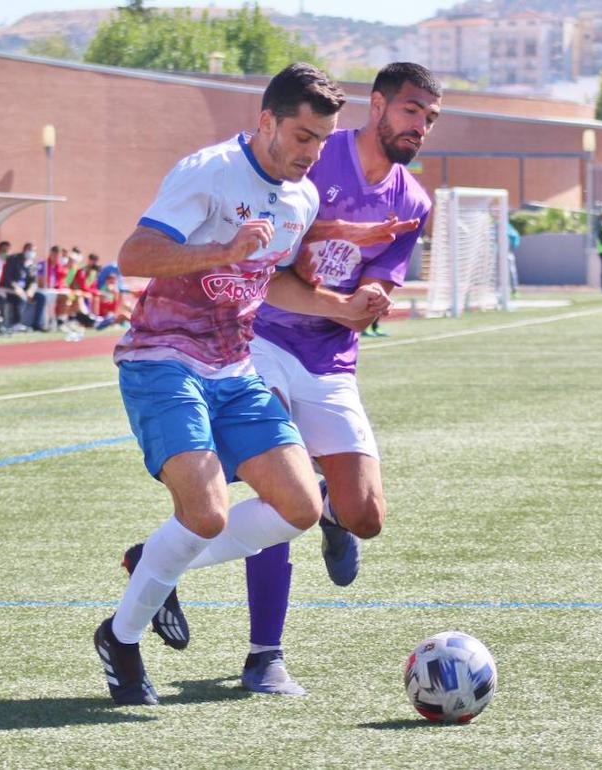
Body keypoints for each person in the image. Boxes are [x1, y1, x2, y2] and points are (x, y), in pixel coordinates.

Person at [124, 62, 441, 695]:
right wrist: (241, 255)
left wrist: (364, 299)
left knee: (361, 514)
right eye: (412, 110)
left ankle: (164, 559)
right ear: (379, 106)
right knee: (259, 497)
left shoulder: (408, 200)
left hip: (326, 357)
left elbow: (331, 264)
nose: (421, 126)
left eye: (430, 118)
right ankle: (263, 654)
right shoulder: (292, 155)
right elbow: (257, 252)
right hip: (251, 343)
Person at [1, 242, 47, 331]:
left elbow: (34, 281)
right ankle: (16, 323)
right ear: (24, 250)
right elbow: (7, 277)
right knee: (20, 296)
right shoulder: (13, 259)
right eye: (30, 250)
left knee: (41, 297)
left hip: (25, 290)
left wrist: (31, 290)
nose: (32, 253)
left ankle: (37, 324)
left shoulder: (32, 264)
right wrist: (16, 287)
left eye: (34, 251)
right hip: (11, 289)